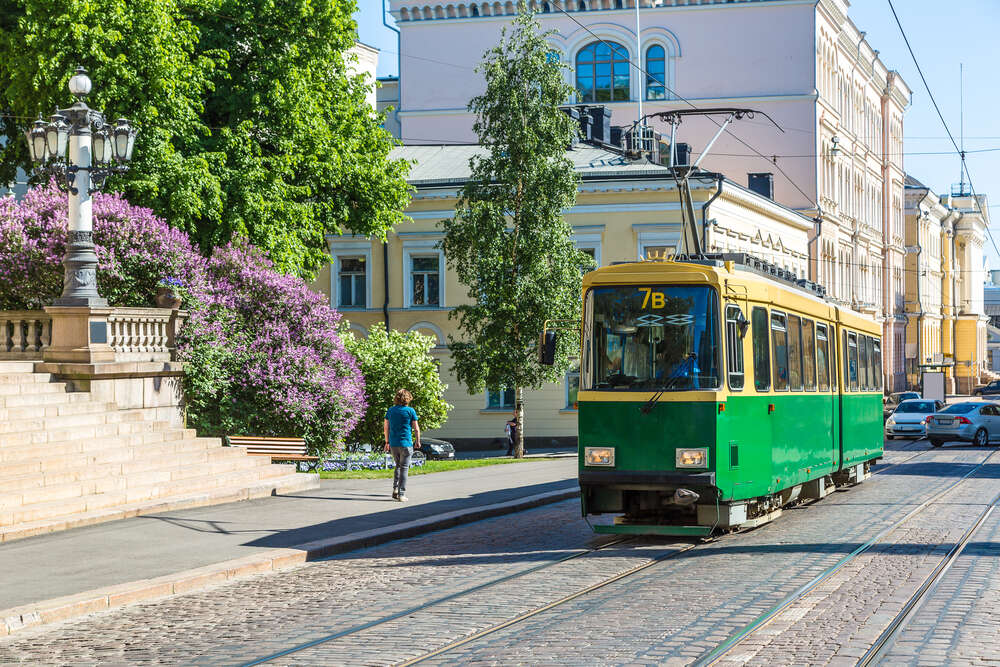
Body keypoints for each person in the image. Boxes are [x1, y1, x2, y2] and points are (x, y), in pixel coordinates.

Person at [384, 389, 421, 502]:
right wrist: (418, 441)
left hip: (394, 443)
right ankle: (401, 494)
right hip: (406, 443)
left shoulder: (390, 411)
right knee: (404, 468)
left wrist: (387, 442)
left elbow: (386, 427)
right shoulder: (410, 411)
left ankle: (395, 489)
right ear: (408, 398)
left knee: (398, 466)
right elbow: (416, 428)